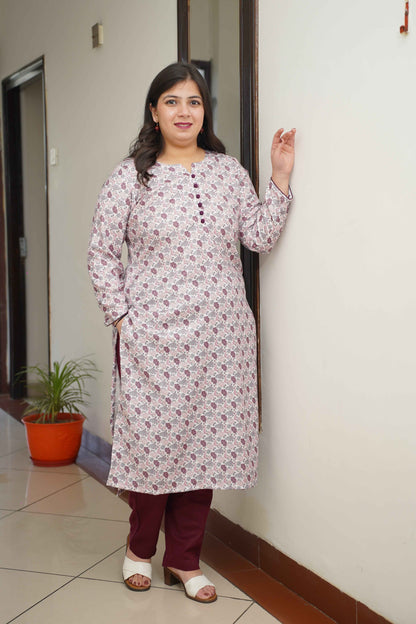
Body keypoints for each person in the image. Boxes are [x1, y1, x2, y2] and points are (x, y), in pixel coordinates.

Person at [88, 62, 295, 604]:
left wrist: (279, 177)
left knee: (205, 446)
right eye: (173, 101)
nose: (185, 112)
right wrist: (123, 318)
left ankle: (184, 559)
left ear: (205, 111)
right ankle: (139, 550)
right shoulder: (130, 177)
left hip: (221, 337)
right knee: (153, 447)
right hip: (152, 338)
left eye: (194, 102)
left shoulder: (228, 172)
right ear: (154, 112)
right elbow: (101, 254)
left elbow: (257, 237)